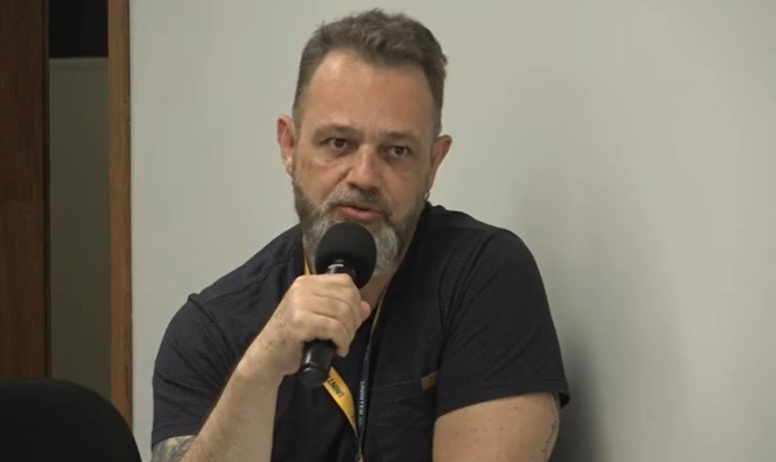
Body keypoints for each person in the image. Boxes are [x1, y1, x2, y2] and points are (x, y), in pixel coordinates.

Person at [151, 8, 569, 462]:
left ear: (433, 162)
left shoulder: (483, 277)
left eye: (396, 151)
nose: (364, 175)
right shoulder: (211, 328)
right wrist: (259, 370)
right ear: (289, 145)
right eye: (338, 143)